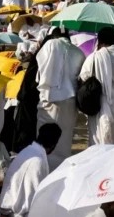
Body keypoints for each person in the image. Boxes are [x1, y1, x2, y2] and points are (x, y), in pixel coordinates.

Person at [35, 28, 85, 170]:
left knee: (45, 143)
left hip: (50, 99)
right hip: (70, 101)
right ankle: (60, 172)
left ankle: (45, 172)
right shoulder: (79, 52)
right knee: (64, 140)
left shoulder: (51, 44)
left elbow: (41, 69)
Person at [78, 27, 114, 145]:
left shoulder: (95, 57)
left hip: (100, 106)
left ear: (99, 41)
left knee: (99, 145)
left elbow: (83, 78)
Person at [0, 123, 62, 217]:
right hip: (14, 212)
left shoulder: (28, 151)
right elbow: (37, 198)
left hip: (6, 207)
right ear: (53, 146)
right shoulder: (39, 161)